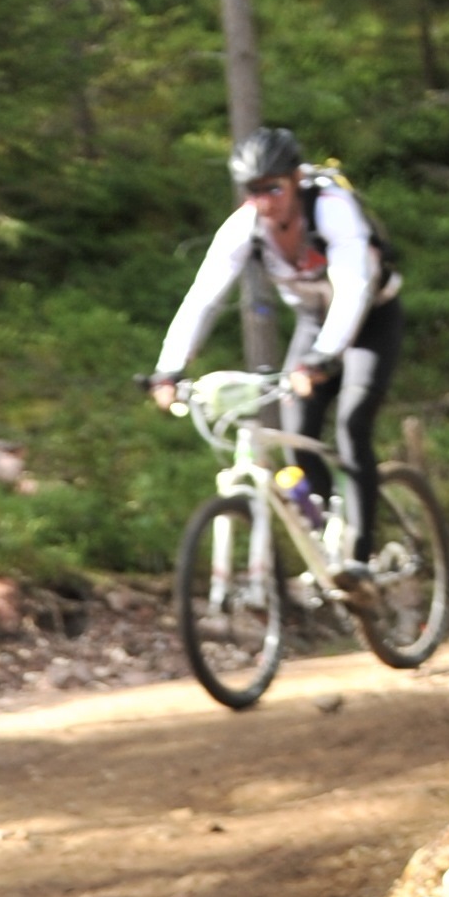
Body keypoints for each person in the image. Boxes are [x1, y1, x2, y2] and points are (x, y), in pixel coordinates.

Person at [151, 125, 404, 574]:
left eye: (274, 188)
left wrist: (323, 357)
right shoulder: (244, 227)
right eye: (253, 191)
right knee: (297, 432)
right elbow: (203, 298)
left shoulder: (332, 209)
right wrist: (169, 368)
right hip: (314, 322)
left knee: (351, 425)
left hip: (370, 320)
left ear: (296, 179)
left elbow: (353, 289)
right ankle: (328, 545)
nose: (265, 201)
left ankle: (359, 557)